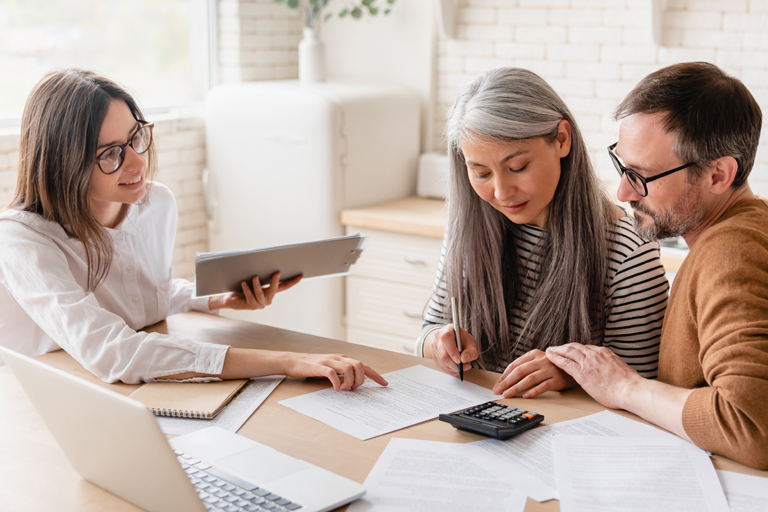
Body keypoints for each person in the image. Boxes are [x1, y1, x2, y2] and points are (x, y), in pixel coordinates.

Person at [0, 68, 387, 391]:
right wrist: (288, 361)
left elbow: (143, 296)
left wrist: (217, 299)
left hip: (119, 392)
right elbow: (113, 351)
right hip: (40, 398)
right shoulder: (23, 241)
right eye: (111, 154)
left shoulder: (154, 205)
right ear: (61, 162)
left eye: (136, 137)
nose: (137, 163)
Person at [546, 62, 768, 470]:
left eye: (641, 175)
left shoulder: (730, 252)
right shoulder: (739, 231)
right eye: (621, 165)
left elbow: (752, 426)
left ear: (719, 174)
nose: (623, 190)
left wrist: (625, 386)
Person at [415, 67, 669, 398]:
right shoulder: (469, 228)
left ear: (562, 139)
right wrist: (439, 343)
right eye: (480, 173)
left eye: (517, 167)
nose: (502, 192)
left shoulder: (628, 252)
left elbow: (642, 386)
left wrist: (572, 374)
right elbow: (427, 331)